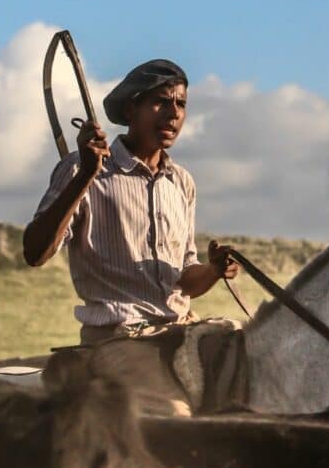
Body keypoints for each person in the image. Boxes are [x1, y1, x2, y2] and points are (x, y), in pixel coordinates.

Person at [23, 59, 239, 346]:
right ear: (130, 109)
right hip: (118, 341)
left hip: (177, 333)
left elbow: (184, 280)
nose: (174, 113)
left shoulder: (181, 182)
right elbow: (35, 252)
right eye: (161, 102)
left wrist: (213, 270)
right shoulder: (81, 169)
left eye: (181, 104)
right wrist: (86, 175)